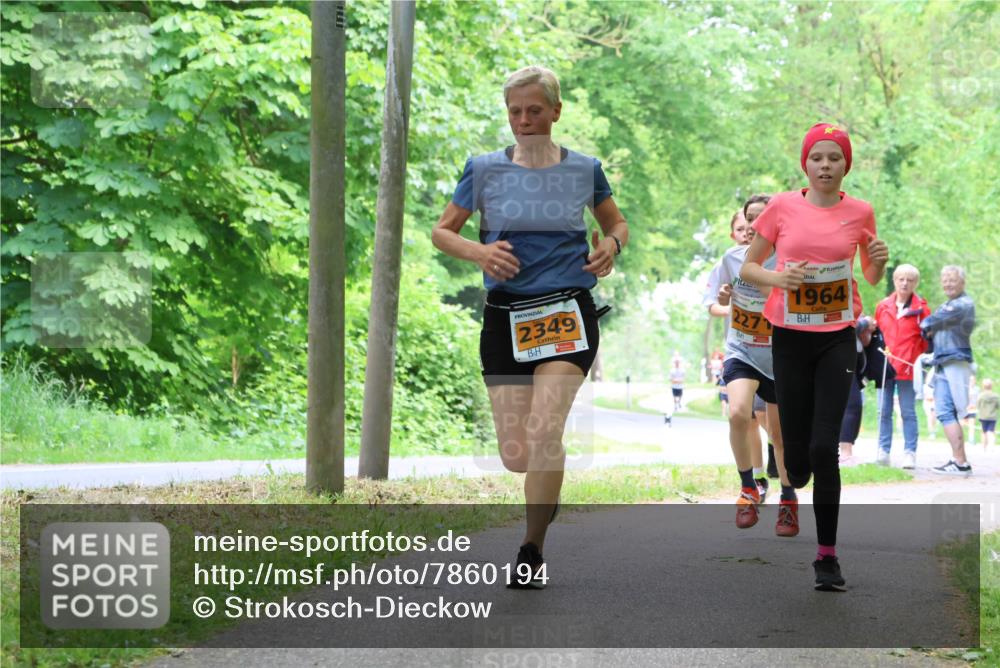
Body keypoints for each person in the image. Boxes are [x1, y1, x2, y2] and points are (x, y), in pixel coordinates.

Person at [431, 65, 628, 588]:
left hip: (566, 311)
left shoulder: (585, 169)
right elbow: (442, 232)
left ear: (556, 111)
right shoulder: (484, 170)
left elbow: (616, 222)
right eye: (515, 111)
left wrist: (611, 245)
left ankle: (531, 548)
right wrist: (479, 250)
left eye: (534, 110)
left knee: (545, 431)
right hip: (505, 319)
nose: (524, 120)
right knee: (517, 455)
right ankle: (544, 488)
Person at [741, 123, 889, 591]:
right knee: (799, 448)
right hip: (788, 333)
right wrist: (776, 280)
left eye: (835, 159)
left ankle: (827, 557)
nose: (826, 166)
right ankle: (795, 468)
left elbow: (867, 271)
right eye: (817, 158)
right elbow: (749, 264)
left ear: (846, 165)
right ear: (805, 163)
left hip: (837, 336)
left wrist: (879, 261)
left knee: (827, 448)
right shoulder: (783, 207)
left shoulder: (861, 211)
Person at [712, 194, 798, 536]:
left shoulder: (790, 259)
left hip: (779, 355)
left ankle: (788, 500)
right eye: (749, 219)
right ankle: (748, 486)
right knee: (738, 413)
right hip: (742, 349)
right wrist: (722, 299)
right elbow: (717, 297)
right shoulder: (731, 259)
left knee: (778, 435)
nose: (753, 226)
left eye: (762, 218)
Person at [873, 264, 930, 469]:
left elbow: (925, 340)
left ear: (915, 283)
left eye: (910, 280)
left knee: (908, 412)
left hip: (908, 369)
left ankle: (909, 453)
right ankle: (883, 451)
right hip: (884, 368)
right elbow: (877, 336)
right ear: (895, 281)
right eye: (901, 279)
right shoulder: (882, 306)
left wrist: (915, 358)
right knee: (883, 411)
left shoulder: (921, 309)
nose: (905, 283)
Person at [921, 266, 976, 475]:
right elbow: (931, 329)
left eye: (952, 280)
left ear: (962, 282)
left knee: (946, 411)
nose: (948, 284)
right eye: (945, 280)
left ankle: (960, 462)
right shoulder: (948, 304)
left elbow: (930, 322)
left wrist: (930, 325)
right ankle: (959, 461)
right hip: (944, 361)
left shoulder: (963, 303)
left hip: (955, 359)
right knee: (945, 411)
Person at [839, 315, 877, 466]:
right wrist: (865, 323)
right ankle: (845, 453)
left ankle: (845, 451)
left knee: (853, 406)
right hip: (841, 362)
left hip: (851, 365)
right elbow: (848, 328)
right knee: (852, 406)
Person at [977, 379, 998, 449]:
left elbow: (978, 405)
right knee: (991, 431)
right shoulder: (995, 396)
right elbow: (998, 406)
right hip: (992, 417)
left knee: (984, 432)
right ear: (991, 386)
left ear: (983, 386)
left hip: (983, 417)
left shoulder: (981, 396)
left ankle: (984, 447)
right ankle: (991, 445)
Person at [965, 374, 979, 446]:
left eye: (973, 380)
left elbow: (978, 399)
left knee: (972, 424)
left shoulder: (977, 389)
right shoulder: (965, 388)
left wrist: (975, 405)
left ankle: (971, 439)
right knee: (962, 424)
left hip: (973, 409)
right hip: (965, 409)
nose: (972, 381)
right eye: (970, 380)